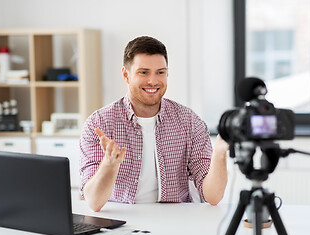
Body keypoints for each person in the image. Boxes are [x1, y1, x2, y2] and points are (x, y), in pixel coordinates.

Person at [79, 36, 229, 212]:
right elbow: (93, 202)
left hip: (176, 220)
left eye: (160, 72)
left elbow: (213, 197)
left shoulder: (190, 122)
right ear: (126, 75)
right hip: (121, 219)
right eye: (143, 72)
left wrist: (219, 153)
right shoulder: (99, 124)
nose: (153, 81)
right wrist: (109, 165)